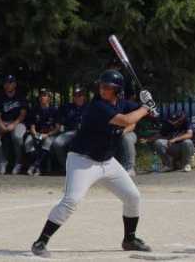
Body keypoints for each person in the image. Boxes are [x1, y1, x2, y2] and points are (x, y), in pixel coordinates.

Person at [30, 70, 156, 257]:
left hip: (107, 161)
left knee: (133, 197)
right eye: (102, 86)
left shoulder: (122, 103)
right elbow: (127, 119)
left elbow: (134, 120)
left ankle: (129, 239)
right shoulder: (97, 106)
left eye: (108, 87)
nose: (103, 89)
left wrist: (147, 103)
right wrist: (146, 108)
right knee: (71, 200)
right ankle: (41, 242)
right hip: (82, 160)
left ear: (118, 91)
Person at [0, 74, 28, 175]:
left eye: (11, 83)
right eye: (6, 83)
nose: (8, 85)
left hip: (18, 122)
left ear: (15, 84)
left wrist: (13, 124)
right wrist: (1, 125)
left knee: (17, 136)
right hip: (3, 122)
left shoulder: (20, 96)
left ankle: (18, 163)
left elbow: (22, 114)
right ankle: (2, 161)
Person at [24, 88, 60, 176]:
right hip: (36, 133)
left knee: (47, 143)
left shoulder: (54, 110)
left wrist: (47, 135)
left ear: (49, 98)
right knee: (28, 142)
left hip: (49, 134)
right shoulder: (34, 109)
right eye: (41, 95)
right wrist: (36, 135)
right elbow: (32, 126)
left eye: (44, 95)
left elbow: (57, 128)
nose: (42, 97)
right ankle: (38, 167)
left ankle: (35, 165)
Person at [52, 85, 87, 168]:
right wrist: (59, 127)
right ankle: (67, 167)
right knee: (57, 143)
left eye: (80, 95)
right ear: (73, 97)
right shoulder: (66, 107)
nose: (78, 98)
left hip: (85, 133)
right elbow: (58, 121)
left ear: (84, 97)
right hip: (69, 132)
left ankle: (85, 169)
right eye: (76, 96)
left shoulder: (90, 107)